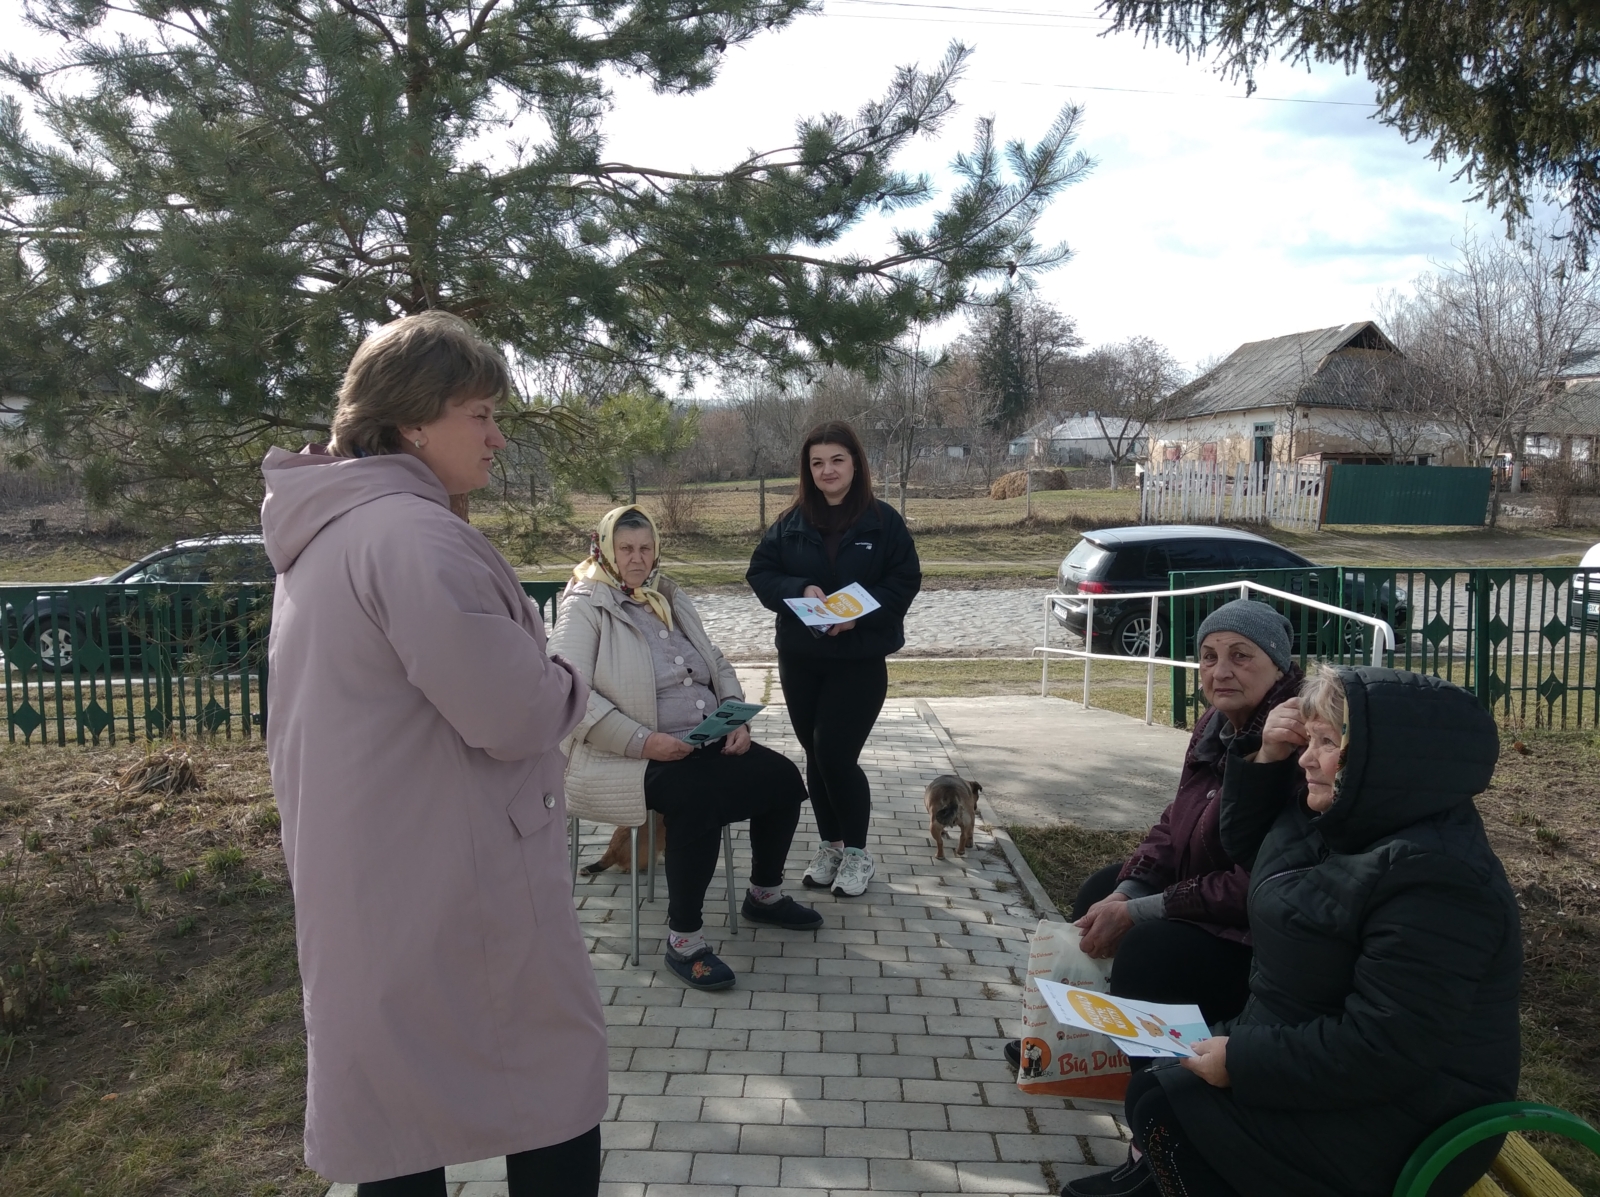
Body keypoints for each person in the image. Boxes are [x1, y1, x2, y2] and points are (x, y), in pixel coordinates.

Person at [262, 312, 606, 1197]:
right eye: (479, 415)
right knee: (554, 1094)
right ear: (413, 419)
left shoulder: (330, 530)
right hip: (457, 886)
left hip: (381, 875)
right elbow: (515, 713)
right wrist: (566, 674)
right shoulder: (412, 537)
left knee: (399, 1121)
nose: (496, 438)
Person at [1073, 665, 1521, 1197]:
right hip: (1331, 1065)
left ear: (1382, 760)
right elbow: (1249, 846)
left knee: (1165, 1105)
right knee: (1158, 1085)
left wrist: (1242, 1060)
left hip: (1402, 1118)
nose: (1306, 758)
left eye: (1326, 743)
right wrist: (1266, 759)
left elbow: (1385, 1046)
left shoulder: (1437, 879)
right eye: (1308, 740)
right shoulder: (1346, 820)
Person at [1039, 601, 1305, 1171]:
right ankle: (1100, 1049)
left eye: (1241, 656)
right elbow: (1175, 821)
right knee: (1098, 892)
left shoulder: (1292, 742)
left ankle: (1160, 1128)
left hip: (1259, 936)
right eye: (1208, 657)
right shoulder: (1215, 724)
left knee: (1149, 950)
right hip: (1207, 892)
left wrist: (1143, 912)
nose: (1220, 671)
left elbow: (1256, 884)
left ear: (1279, 665)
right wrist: (1129, 890)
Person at [551, 504, 823, 990]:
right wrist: (643, 741)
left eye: (646, 548)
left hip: (702, 739)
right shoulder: (585, 604)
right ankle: (684, 941)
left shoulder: (668, 594)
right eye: (626, 549)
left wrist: (735, 713)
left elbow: (715, 659)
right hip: (624, 753)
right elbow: (570, 694)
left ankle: (763, 895)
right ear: (605, 550)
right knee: (698, 801)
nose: (637, 558)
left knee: (781, 778)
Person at [746, 421, 922, 898]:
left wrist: (857, 616)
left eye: (837, 460)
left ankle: (858, 854)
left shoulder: (883, 522)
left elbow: (904, 581)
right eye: (817, 462)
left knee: (835, 754)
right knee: (815, 756)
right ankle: (831, 847)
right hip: (801, 659)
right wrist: (800, 589)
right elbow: (760, 573)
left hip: (858, 660)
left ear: (856, 464)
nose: (827, 470)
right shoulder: (791, 522)